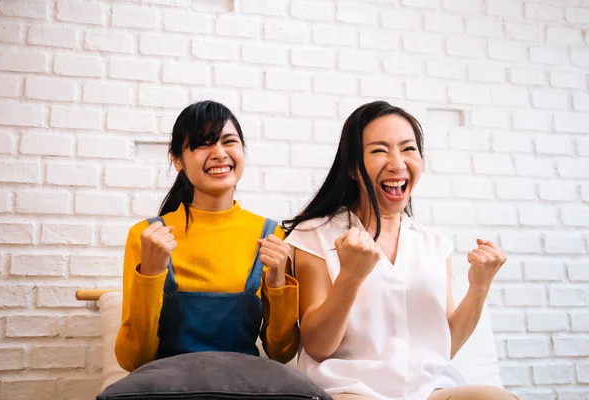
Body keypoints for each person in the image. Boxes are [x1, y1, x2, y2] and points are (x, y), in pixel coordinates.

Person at [283, 101, 515, 400]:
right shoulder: (313, 235)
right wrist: (351, 277)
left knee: (495, 397)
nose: (397, 163)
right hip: (350, 390)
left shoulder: (433, 243)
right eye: (380, 150)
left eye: (408, 149)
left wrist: (479, 288)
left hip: (427, 390)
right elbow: (318, 346)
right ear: (353, 167)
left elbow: (444, 346)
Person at [115, 100, 299, 372]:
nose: (219, 153)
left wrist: (276, 281)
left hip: (241, 387)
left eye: (228, 141)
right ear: (176, 159)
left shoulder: (272, 236)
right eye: (203, 144)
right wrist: (151, 275)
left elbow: (281, 352)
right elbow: (133, 360)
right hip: (169, 388)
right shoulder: (147, 236)